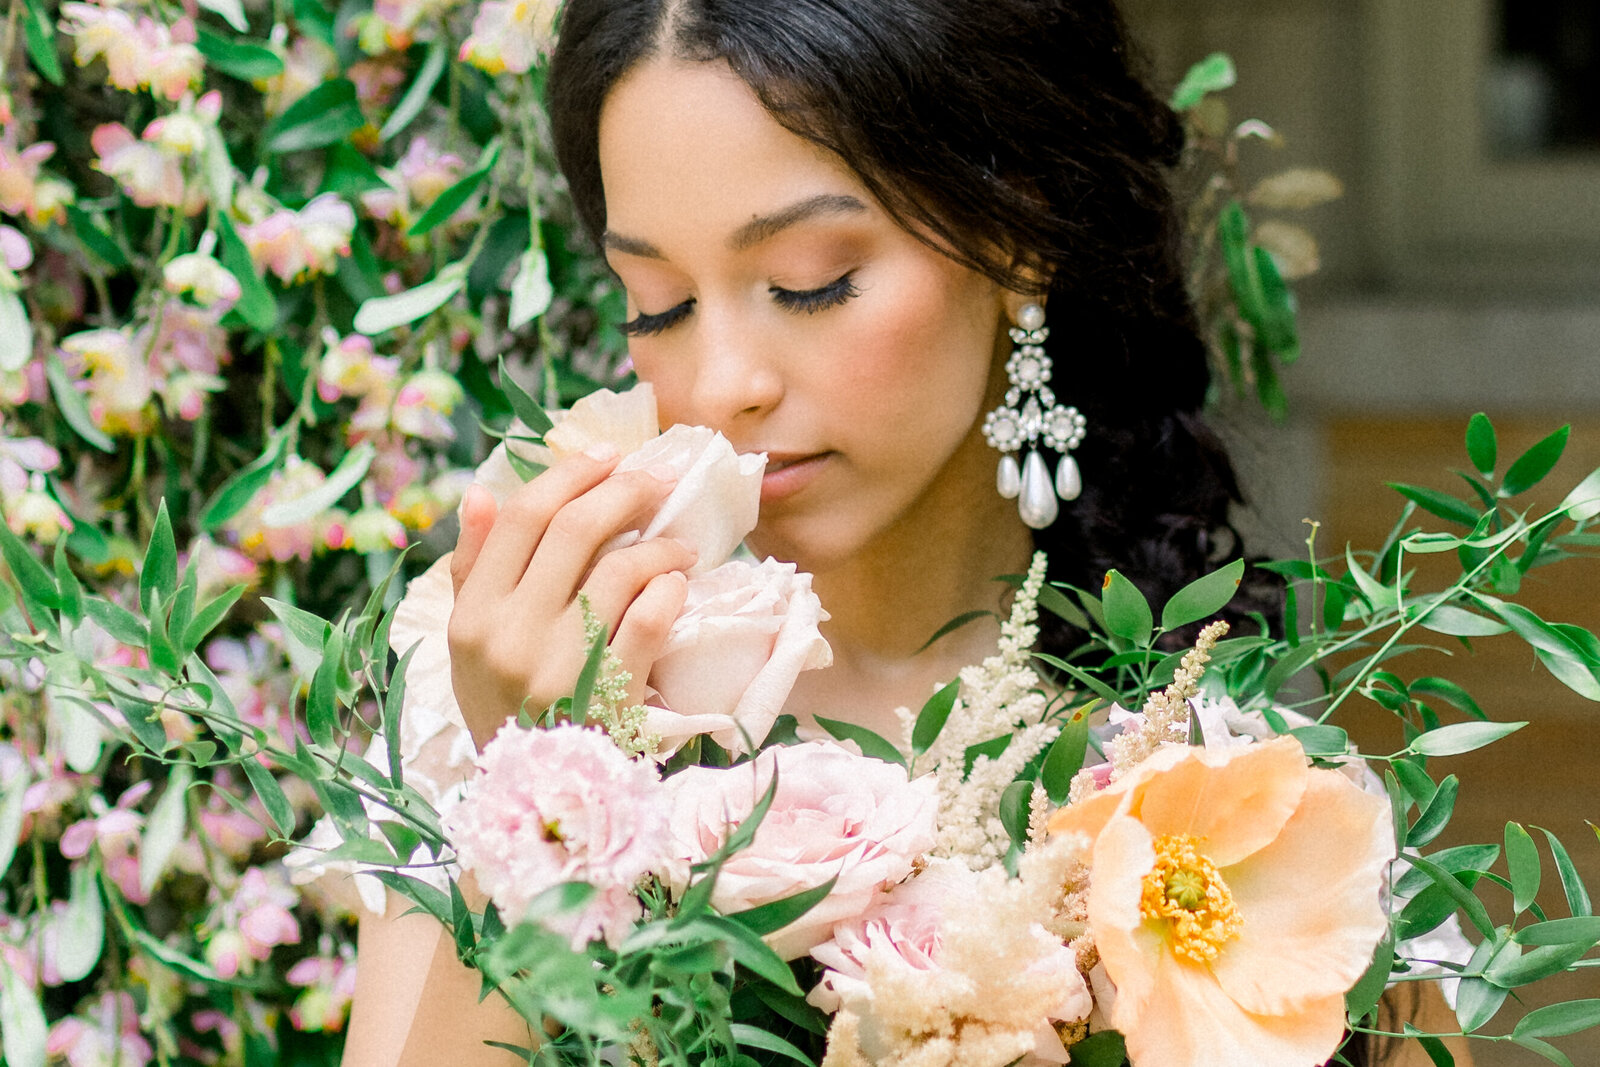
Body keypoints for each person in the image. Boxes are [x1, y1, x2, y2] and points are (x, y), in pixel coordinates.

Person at [339, 1, 1427, 1064]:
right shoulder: (516, 685)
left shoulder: (1226, 789)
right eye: (658, 303)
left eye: (807, 283)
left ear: (1015, 235)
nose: (722, 384)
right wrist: (535, 800)